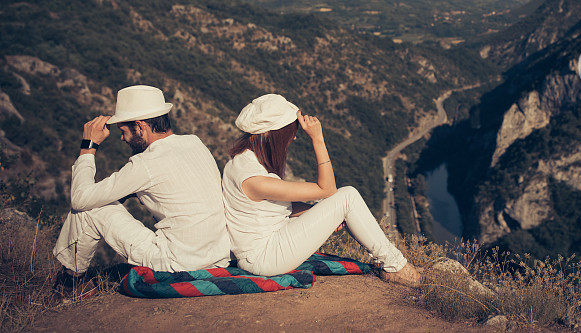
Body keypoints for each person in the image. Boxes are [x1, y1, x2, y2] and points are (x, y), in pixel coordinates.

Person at [51, 85, 231, 300]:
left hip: (177, 263)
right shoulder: (194, 142)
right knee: (96, 202)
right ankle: (70, 281)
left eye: (123, 132)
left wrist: (88, 147)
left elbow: (80, 199)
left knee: (88, 209)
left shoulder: (146, 163)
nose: (122, 139)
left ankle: (69, 283)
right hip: (218, 257)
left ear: (140, 127)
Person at [221, 94, 420, 287]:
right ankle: (396, 266)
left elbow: (279, 207)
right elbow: (328, 189)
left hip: (268, 245)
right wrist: (318, 139)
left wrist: (322, 215)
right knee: (348, 196)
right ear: (272, 134)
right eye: (290, 132)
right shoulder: (254, 180)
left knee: (342, 202)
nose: (295, 137)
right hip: (265, 258)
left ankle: (394, 263)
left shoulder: (243, 161)